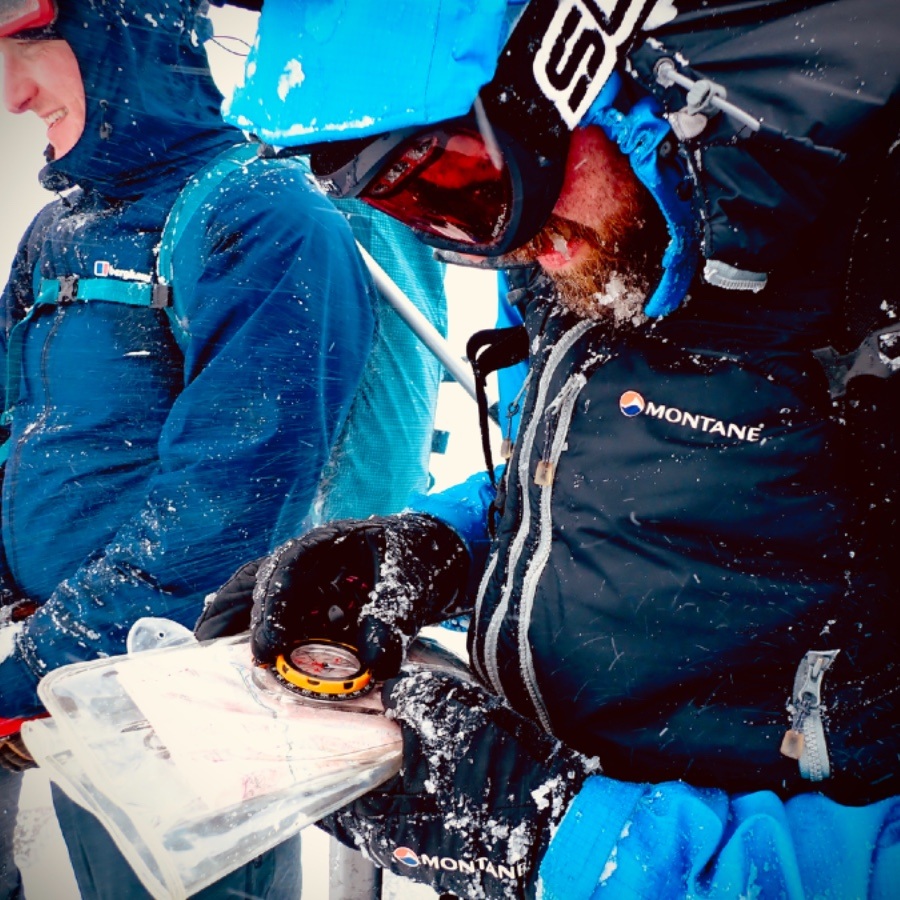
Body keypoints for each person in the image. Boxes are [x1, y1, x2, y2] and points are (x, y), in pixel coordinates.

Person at [196, 0, 900, 897]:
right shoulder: (601, 233)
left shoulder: (869, 270)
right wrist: (444, 547)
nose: (508, 248)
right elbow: (604, 477)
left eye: (470, 178)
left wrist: (575, 844)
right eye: (414, 205)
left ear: (587, 65)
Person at [0, 0, 446, 897]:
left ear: (119, 42)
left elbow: (234, 493)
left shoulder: (261, 214)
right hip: (60, 671)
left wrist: (49, 657)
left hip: (180, 692)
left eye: (30, 53)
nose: (13, 98)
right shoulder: (63, 231)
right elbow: (19, 420)